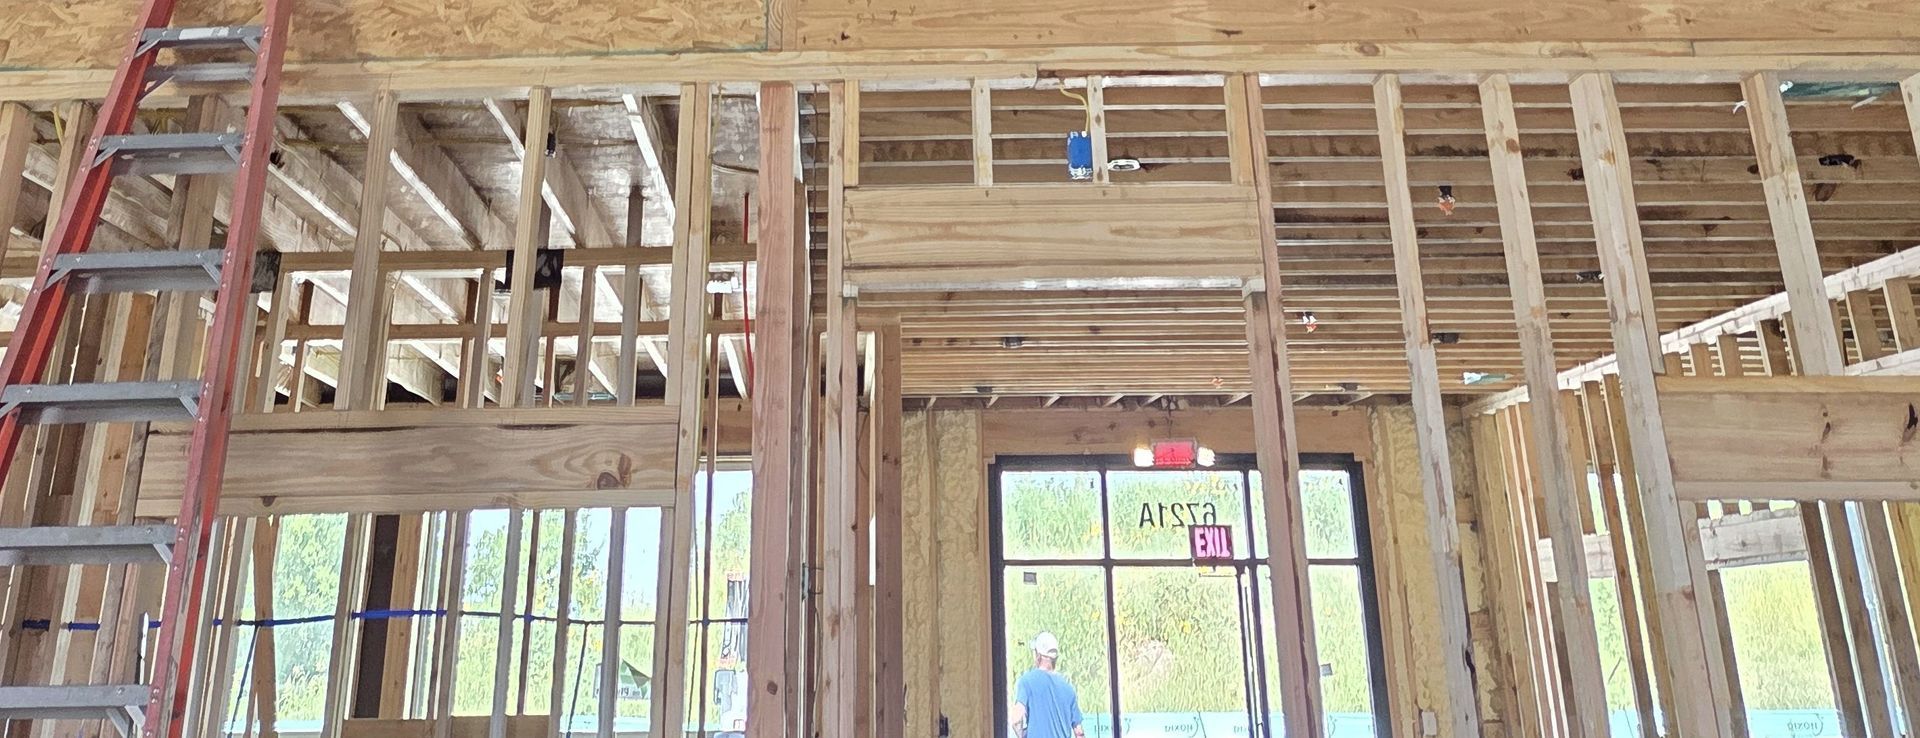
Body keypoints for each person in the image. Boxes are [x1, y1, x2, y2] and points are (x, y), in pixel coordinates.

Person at [1010, 631, 1085, 738]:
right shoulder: (1068, 689)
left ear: (1038, 655)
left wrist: (1023, 735)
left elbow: (1016, 719)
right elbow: (1079, 732)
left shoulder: (1027, 681)